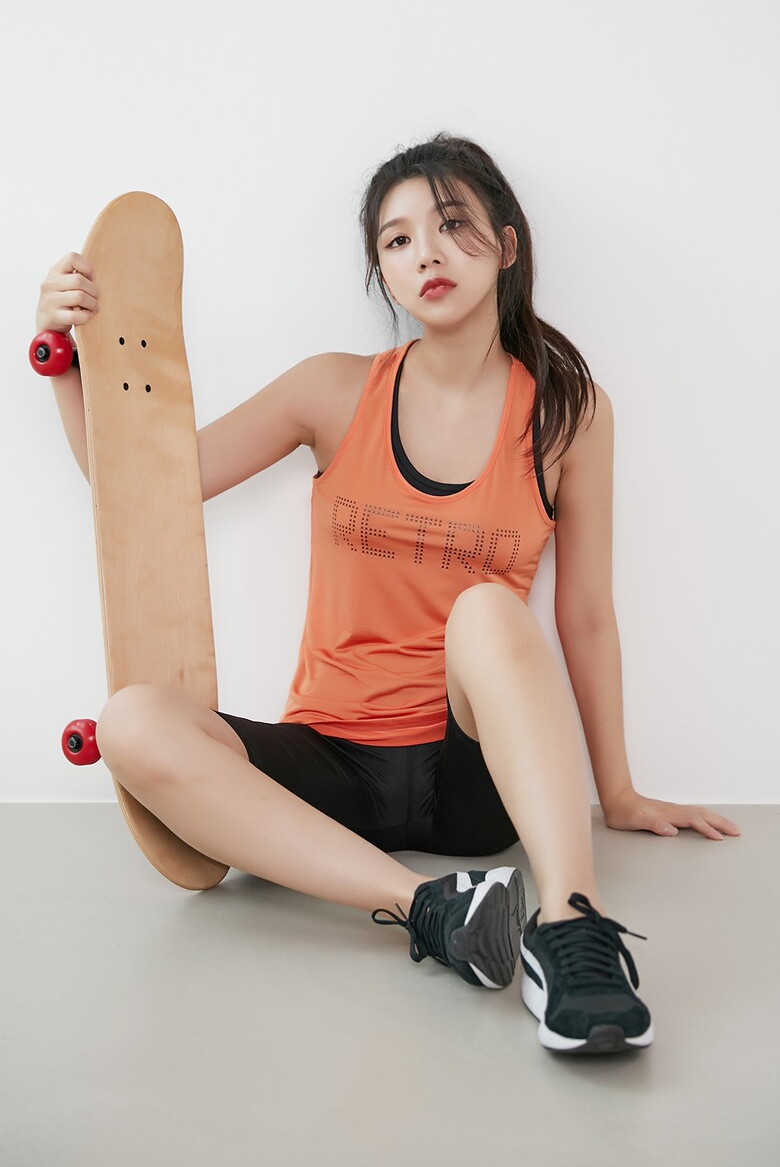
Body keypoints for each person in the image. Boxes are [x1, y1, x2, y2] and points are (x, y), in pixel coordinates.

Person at [35, 131, 739, 1055]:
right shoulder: (332, 391)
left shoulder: (569, 412)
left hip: (472, 782)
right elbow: (144, 488)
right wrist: (71, 356)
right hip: (333, 770)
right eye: (398, 240)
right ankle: (435, 911)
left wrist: (619, 789)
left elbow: (586, 616)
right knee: (129, 722)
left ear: (508, 244)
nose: (426, 254)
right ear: (383, 272)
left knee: (486, 607)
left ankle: (572, 927)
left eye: (450, 225)